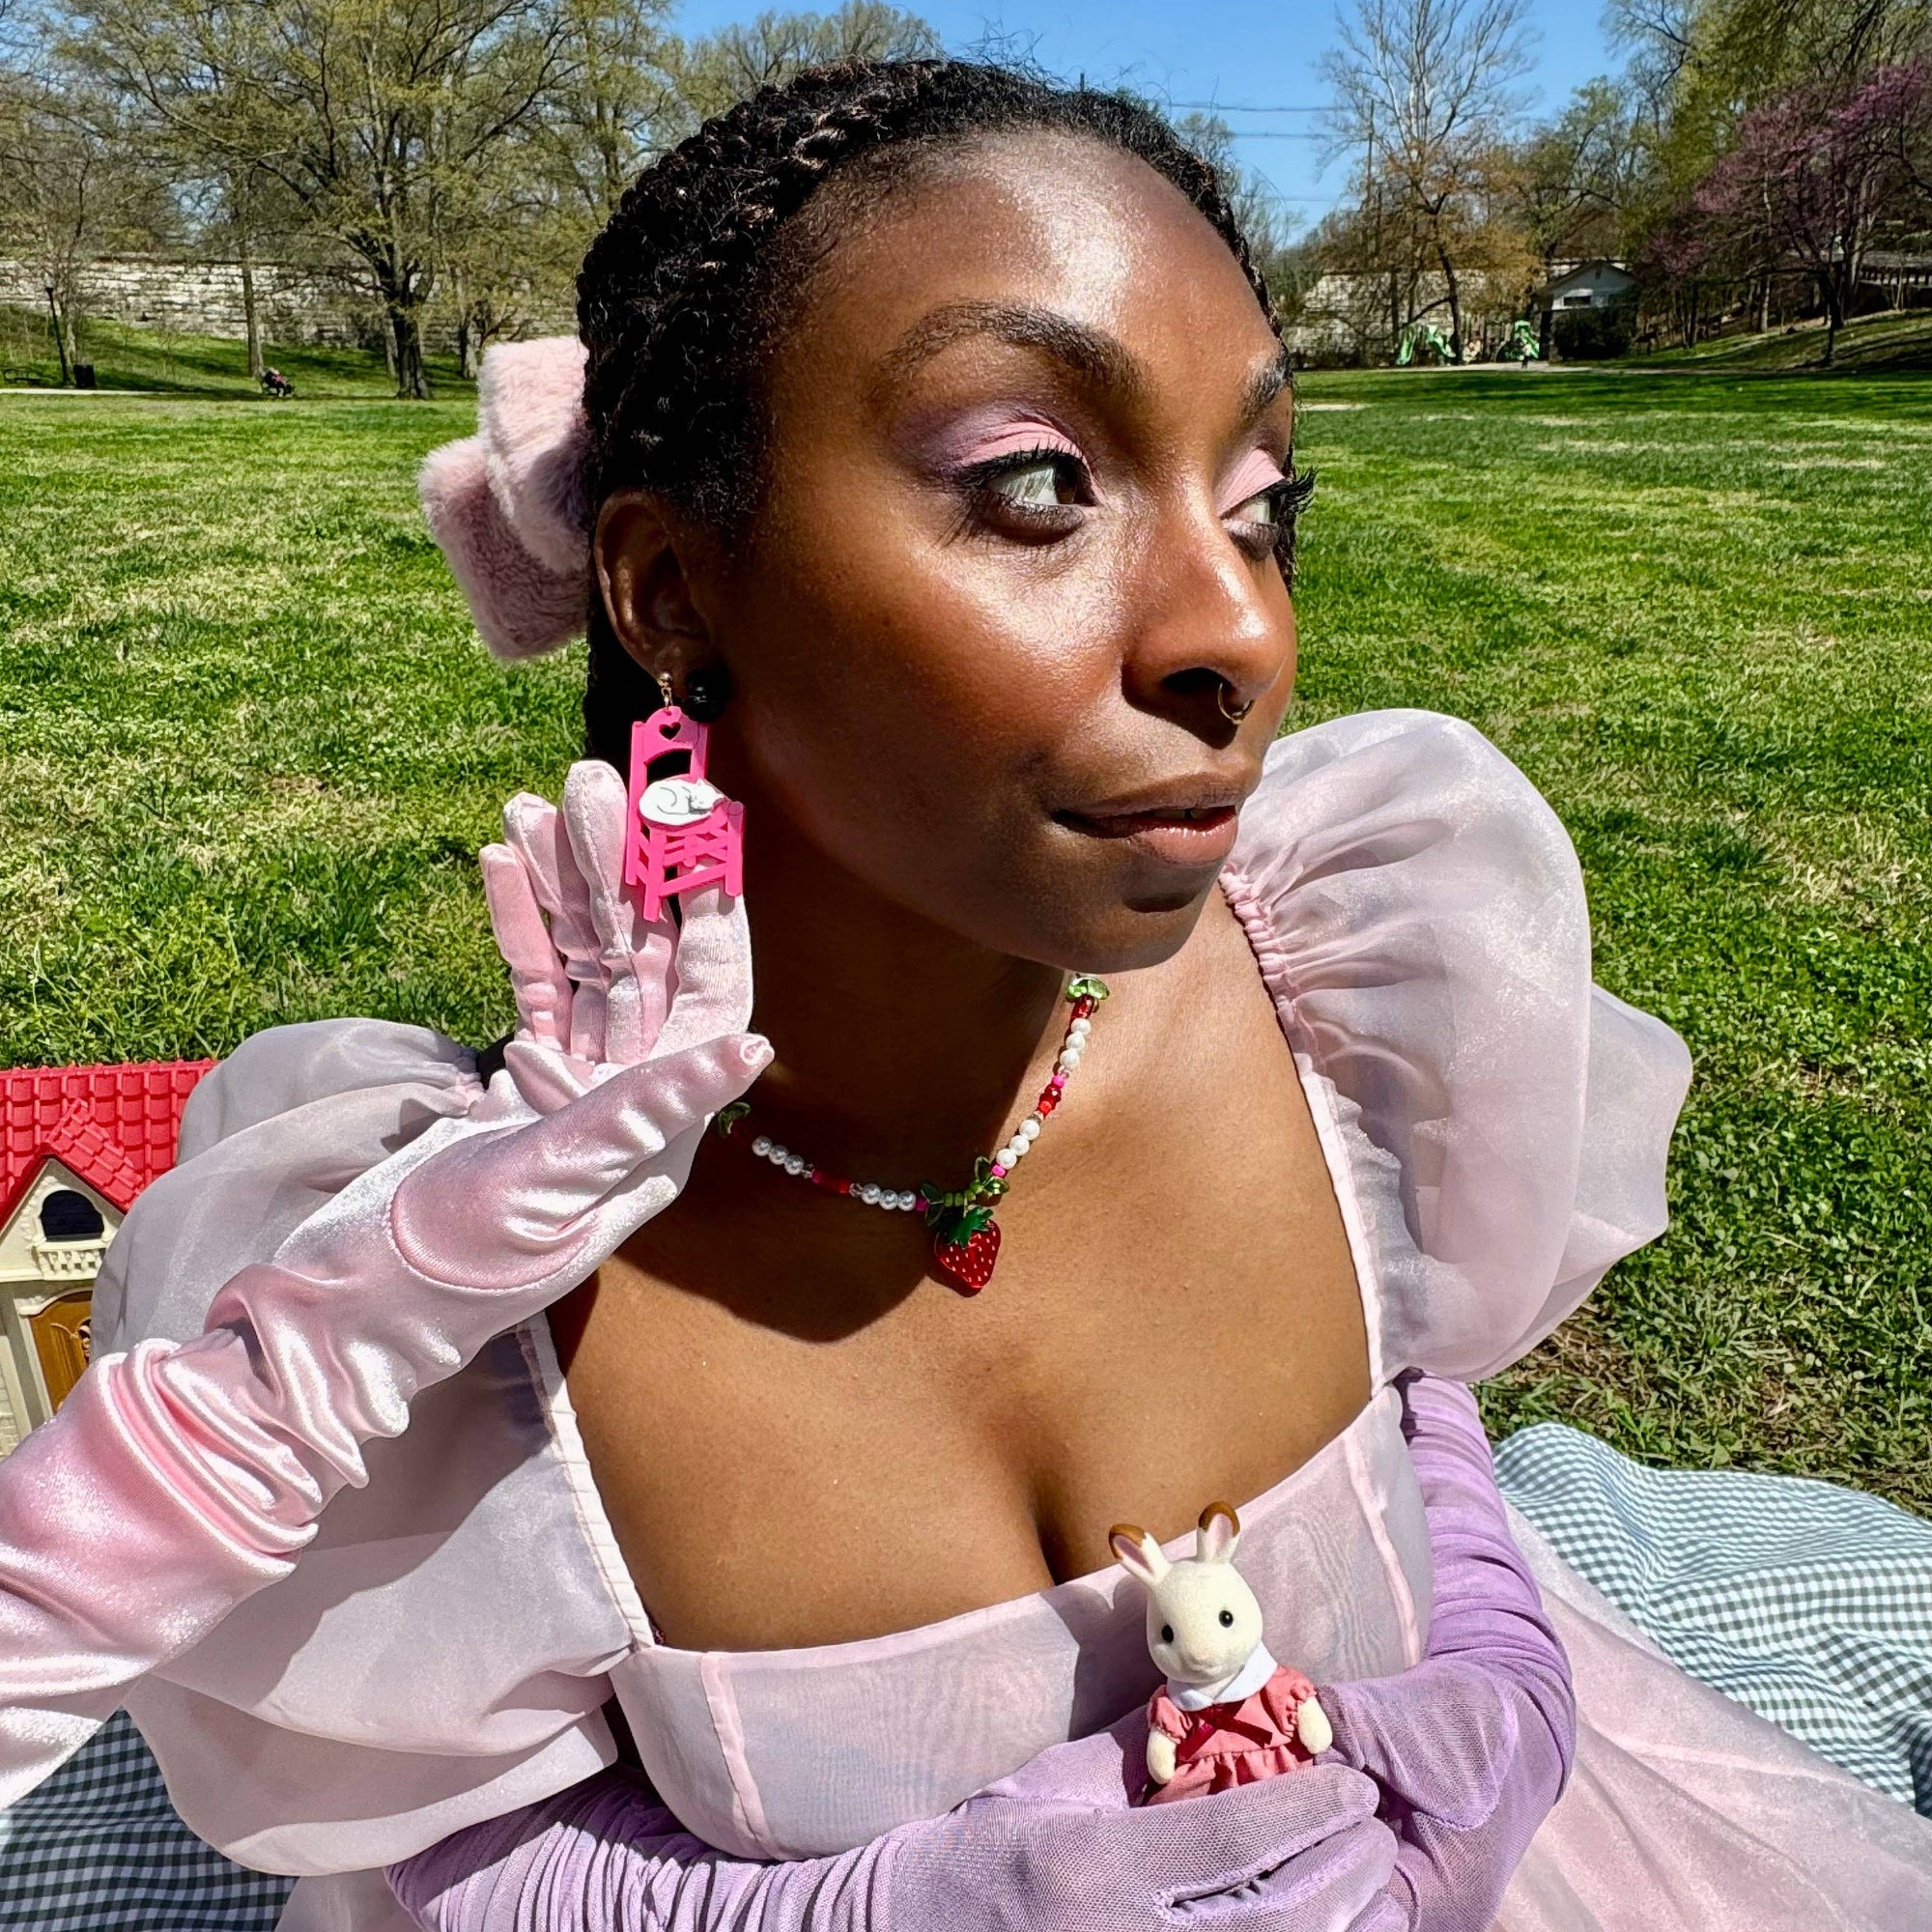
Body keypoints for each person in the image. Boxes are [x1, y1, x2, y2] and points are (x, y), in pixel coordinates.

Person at [2, 57, 1929, 1932]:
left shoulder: (1357, 986)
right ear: (668, 589)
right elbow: (439, 1838)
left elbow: (1420, 1404)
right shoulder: (451, 1302)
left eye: (1263, 500)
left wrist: (1492, 1691)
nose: (1240, 630)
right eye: (1036, 483)